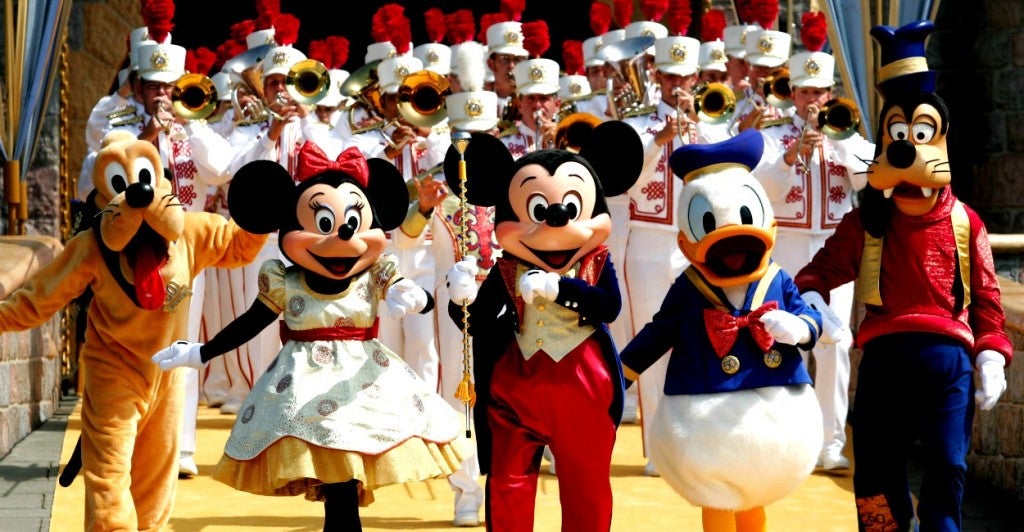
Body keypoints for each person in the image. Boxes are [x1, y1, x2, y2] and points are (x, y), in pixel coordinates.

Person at [152, 150, 473, 532]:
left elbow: (414, 296)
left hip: (363, 385)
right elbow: (252, 322)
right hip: (304, 390)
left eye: (353, 222)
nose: (343, 235)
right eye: (323, 223)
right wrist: (201, 352)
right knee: (336, 481)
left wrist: (419, 297)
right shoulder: (284, 281)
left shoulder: (376, 274)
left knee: (347, 477)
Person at [794, 20, 1011, 529]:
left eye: (920, 134)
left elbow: (987, 298)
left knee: (949, 464)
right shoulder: (868, 222)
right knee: (874, 471)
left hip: (948, 361)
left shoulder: (965, 221)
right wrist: (815, 305)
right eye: (897, 135)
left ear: (941, 141)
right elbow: (816, 273)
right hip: (885, 360)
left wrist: (991, 355)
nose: (907, 148)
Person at [756, 47, 875, 471]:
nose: (812, 100)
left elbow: (867, 177)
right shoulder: (772, 134)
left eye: (819, 92)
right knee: (783, 339)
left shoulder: (847, 131)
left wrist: (838, 141)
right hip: (787, 245)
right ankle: (783, 441)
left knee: (835, 343)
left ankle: (831, 443)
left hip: (834, 252)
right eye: (805, 91)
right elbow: (763, 187)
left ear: (830, 94)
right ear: (792, 93)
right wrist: (791, 155)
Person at [619, 34, 703, 477]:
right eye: (670, 76)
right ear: (656, 76)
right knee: (651, 343)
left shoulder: (713, 123)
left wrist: (699, 130)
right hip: (650, 241)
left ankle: (692, 442)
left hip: (696, 243)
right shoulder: (636, 126)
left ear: (696, 77)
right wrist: (660, 142)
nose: (677, 84)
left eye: (684, 77)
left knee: (697, 342)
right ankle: (656, 447)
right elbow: (626, 182)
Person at [498, 58, 560, 158]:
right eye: (531, 98)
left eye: (543, 98)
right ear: (519, 105)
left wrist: (561, 141)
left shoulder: (565, 140)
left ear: (557, 105)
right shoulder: (503, 143)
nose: (537, 105)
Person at [733, 29, 793, 134]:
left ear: (784, 68)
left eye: (770, 67)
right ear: (747, 65)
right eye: (757, 66)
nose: (763, 73)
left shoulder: (793, 106)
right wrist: (741, 129)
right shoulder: (733, 104)